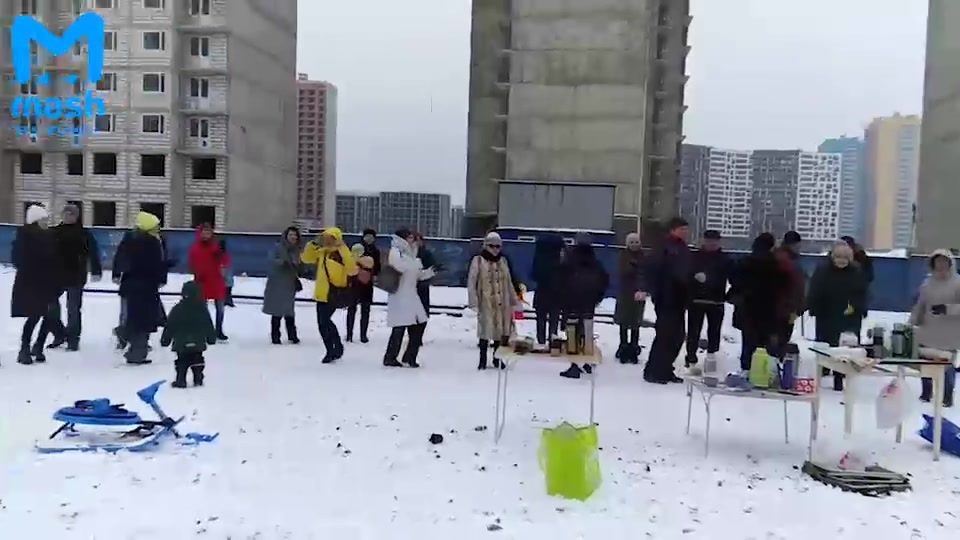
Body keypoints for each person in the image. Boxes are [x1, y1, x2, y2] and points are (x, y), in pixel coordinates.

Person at [806, 241, 868, 391]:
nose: (841, 261)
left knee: (844, 350)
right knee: (826, 346)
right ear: (832, 257)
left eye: (845, 258)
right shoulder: (823, 271)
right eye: (838, 257)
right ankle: (822, 372)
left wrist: (857, 306)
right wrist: (813, 306)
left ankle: (839, 379)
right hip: (826, 314)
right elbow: (815, 290)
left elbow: (861, 293)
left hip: (848, 316)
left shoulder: (856, 272)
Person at [45, 204, 102, 351]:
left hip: (76, 275)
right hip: (55, 275)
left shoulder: (83, 233)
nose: (68, 216)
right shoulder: (54, 231)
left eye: (71, 214)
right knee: (50, 306)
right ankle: (59, 333)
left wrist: (96, 270)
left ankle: (73, 339)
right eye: (66, 214)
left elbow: (93, 252)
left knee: (73, 309)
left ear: (76, 216)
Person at [728, 233, 787, 371]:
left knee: (748, 343)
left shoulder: (744, 262)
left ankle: (746, 369)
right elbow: (782, 285)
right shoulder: (776, 265)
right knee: (765, 344)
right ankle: (763, 372)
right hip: (768, 309)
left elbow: (734, 280)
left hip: (747, 308)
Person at [644, 218, 692, 384]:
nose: (685, 232)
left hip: (680, 298)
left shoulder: (683, 249)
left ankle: (665, 368)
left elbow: (686, 270)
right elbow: (652, 269)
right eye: (682, 229)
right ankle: (654, 371)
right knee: (665, 336)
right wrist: (652, 289)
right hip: (666, 297)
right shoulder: (664, 247)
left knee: (677, 337)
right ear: (672, 230)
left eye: (686, 229)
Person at [909, 250, 959, 408]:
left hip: (950, 331)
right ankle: (926, 392)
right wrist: (912, 322)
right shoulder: (927, 283)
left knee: (946, 364)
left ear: (950, 264)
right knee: (926, 361)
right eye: (938, 262)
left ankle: (947, 396)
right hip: (928, 328)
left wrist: (947, 309)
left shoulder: (958, 283)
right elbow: (921, 304)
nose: (941, 266)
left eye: (944, 262)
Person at [11, 205, 59, 365]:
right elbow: (19, 260)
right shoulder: (25, 237)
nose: (46, 222)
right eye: (43, 219)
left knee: (49, 316)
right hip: (32, 283)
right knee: (35, 316)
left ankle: (37, 346)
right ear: (35, 221)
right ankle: (25, 348)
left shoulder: (48, 236)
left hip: (47, 282)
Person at [117, 212, 168, 365]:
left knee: (136, 319)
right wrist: (166, 268)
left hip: (132, 286)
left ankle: (129, 340)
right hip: (146, 287)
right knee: (144, 322)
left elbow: (122, 260)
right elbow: (154, 265)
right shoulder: (151, 243)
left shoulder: (131, 240)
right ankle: (136, 354)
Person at [301, 227, 358, 363]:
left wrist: (342, 248)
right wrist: (313, 244)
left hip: (335, 292)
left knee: (325, 321)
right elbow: (306, 258)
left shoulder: (343, 253)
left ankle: (334, 348)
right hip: (322, 293)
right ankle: (332, 348)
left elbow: (352, 270)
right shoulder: (322, 253)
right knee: (323, 323)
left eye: (331, 238)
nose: (327, 241)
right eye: (325, 238)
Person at [558, 231, 610, 379]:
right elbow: (604, 279)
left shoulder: (570, 258)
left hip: (572, 300)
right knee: (586, 331)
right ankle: (587, 361)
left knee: (573, 332)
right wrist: (598, 297)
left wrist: (563, 296)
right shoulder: (594, 259)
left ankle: (574, 365)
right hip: (589, 301)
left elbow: (561, 278)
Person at [383, 228, 435, 368]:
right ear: (403, 238)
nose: (413, 240)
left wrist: (430, 272)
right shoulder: (396, 251)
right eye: (410, 237)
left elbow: (416, 275)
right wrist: (413, 261)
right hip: (400, 295)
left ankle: (409, 356)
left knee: (420, 324)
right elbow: (399, 267)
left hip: (411, 294)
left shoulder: (411, 253)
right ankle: (390, 357)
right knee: (399, 328)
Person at [468, 232, 518, 370]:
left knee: (500, 331)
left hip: (502, 301)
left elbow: (509, 282)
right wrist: (474, 301)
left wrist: (514, 300)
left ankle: (497, 359)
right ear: (486, 245)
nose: (495, 249)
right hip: (486, 301)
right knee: (485, 330)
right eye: (492, 246)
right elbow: (472, 282)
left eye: (498, 246)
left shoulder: (503, 261)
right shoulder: (478, 260)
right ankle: (482, 359)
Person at [685, 229, 731, 367]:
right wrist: (694, 278)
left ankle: (711, 356)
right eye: (709, 241)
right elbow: (686, 275)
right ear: (703, 241)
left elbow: (733, 277)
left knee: (715, 331)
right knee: (693, 330)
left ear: (719, 242)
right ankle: (691, 357)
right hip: (696, 300)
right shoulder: (695, 257)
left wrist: (730, 294)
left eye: (714, 241)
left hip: (716, 300)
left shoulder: (725, 259)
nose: (711, 244)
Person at [161, 281, 218, 388]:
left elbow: (170, 325)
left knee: (181, 361)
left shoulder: (178, 309)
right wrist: (211, 338)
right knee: (197, 359)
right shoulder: (202, 309)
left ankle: (181, 379)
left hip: (181, 342)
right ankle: (198, 377)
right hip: (198, 341)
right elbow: (208, 324)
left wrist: (165, 340)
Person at [188, 223, 230, 341]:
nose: (206, 235)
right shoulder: (195, 248)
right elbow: (192, 264)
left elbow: (225, 261)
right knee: (202, 308)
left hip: (217, 280)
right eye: (204, 232)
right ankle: (205, 329)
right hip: (202, 281)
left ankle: (219, 330)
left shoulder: (216, 246)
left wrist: (222, 256)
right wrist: (197, 273)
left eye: (208, 232)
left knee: (220, 308)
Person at [262, 226, 303, 345]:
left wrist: (299, 264)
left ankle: (292, 335)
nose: (293, 237)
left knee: (289, 310)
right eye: (291, 235)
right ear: (286, 236)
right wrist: (282, 262)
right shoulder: (278, 247)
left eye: (295, 235)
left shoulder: (297, 250)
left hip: (289, 283)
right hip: (277, 283)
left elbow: (301, 265)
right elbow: (271, 259)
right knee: (277, 310)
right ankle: (275, 336)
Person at [614, 232, 647, 364]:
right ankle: (623, 346)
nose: (634, 245)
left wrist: (643, 288)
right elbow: (622, 271)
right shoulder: (623, 255)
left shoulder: (643, 256)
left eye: (636, 242)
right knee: (623, 320)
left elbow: (645, 273)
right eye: (631, 242)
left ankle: (633, 347)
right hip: (625, 293)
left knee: (635, 321)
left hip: (638, 293)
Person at [772, 231, 806, 353]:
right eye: (796, 245)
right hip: (783, 308)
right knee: (780, 338)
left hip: (789, 308)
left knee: (782, 338)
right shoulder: (784, 260)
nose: (798, 248)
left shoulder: (789, 259)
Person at [531, 234, 566, 349]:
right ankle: (553, 343)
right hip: (556, 293)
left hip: (541, 292)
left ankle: (541, 342)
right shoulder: (559, 258)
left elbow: (533, 275)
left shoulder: (539, 256)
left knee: (540, 319)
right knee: (554, 320)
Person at [345, 228, 380, 343]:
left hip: (367, 284)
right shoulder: (357, 248)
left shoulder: (375, 251)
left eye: (372, 237)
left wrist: (373, 274)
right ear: (363, 237)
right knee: (352, 308)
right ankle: (349, 334)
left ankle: (363, 334)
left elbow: (377, 267)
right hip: (355, 282)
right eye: (367, 236)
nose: (369, 239)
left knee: (366, 309)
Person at [413, 232, 437, 322]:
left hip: (422, 285)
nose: (418, 243)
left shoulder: (426, 254)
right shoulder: (407, 254)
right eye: (416, 240)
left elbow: (433, 268)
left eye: (419, 240)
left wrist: (425, 274)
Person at [220, 239, 235, 308]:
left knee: (225, 290)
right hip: (228, 276)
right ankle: (228, 301)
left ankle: (227, 301)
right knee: (227, 290)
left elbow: (223, 266)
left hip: (225, 276)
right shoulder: (226, 255)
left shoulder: (222, 255)